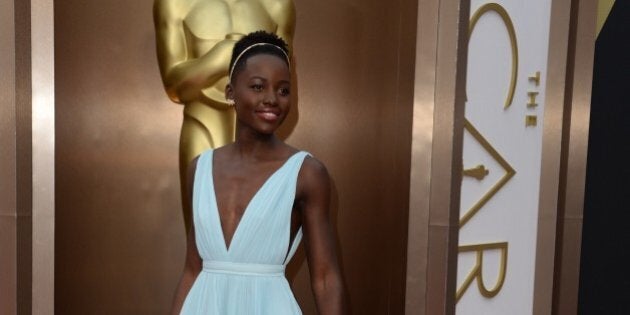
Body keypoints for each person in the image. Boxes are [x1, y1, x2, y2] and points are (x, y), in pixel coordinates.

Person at [170, 31, 348, 314]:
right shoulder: (199, 169)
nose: (272, 99)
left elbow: (326, 279)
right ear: (230, 92)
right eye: (257, 87)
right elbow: (192, 269)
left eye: (283, 90)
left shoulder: (306, 174)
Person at [153, 0, 296, 233]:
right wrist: (220, 57)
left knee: (258, 234)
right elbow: (174, 85)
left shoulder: (277, 6)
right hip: (204, 124)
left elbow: (281, 80)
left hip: (259, 136)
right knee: (205, 236)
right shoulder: (175, 3)